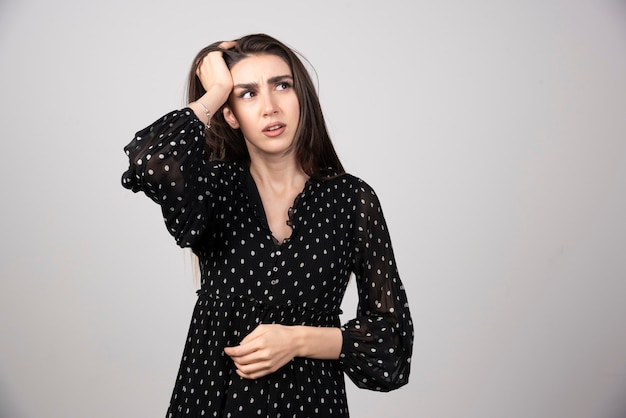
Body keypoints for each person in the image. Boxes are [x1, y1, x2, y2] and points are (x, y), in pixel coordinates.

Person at [121, 33, 413, 418]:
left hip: (311, 403)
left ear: (301, 97)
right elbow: (152, 161)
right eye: (247, 94)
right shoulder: (212, 188)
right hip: (212, 401)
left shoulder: (351, 200)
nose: (270, 107)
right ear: (229, 114)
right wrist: (215, 91)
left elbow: (392, 346)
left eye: (282, 85)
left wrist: (296, 340)